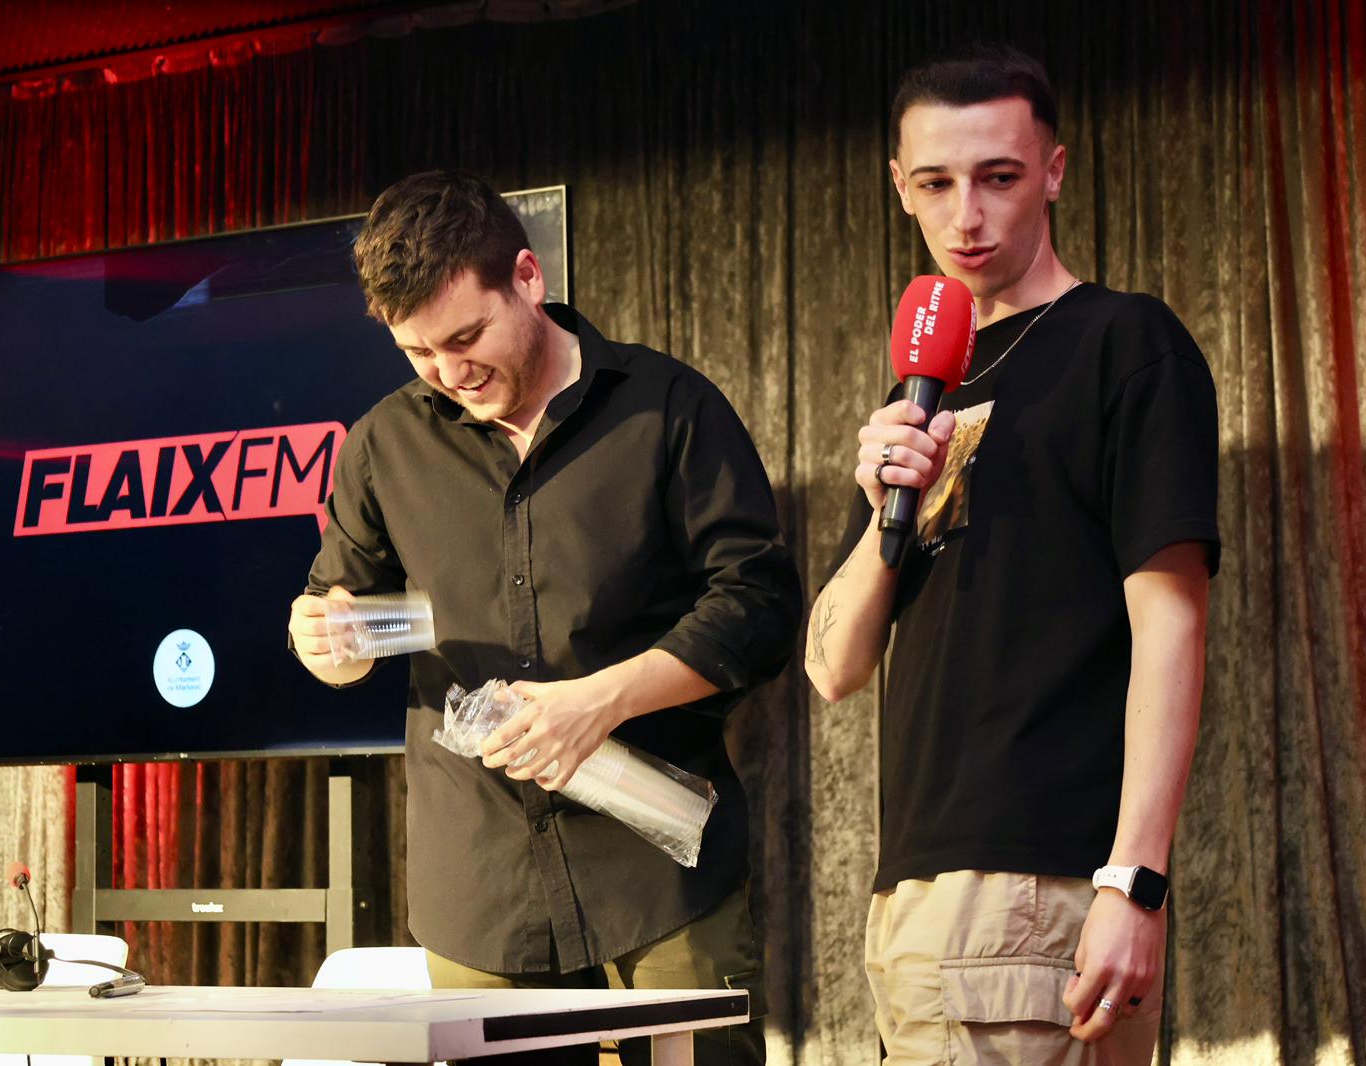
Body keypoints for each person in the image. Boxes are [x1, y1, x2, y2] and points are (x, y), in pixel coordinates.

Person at [287, 170, 800, 1066]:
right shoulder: (382, 445)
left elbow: (758, 606)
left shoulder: (667, 407)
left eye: (466, 337)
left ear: (528, 277)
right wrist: (323, 639)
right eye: (418, 353)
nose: (451, 374)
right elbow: (339, 621)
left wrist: (601, 701)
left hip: (658, 865)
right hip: (481, 884)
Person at [804, 43, 1219, 1065]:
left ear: (1054, 171)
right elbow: (831, 666)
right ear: (898, 186)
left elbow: (1172, 626)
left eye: (997, 177)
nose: (967, 217)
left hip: (1037, 882)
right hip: (920, 893)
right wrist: (883, 510)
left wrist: (1134, 880)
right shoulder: (924, 386)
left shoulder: (1124, 343)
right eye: (935, 184)